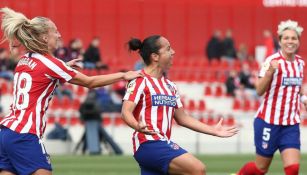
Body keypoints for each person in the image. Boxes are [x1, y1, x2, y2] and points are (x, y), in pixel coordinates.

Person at [0, 7, 142, 175]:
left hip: (6, 132)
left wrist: (64, 67)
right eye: (56, 32)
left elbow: (39, 77)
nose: (59, 36)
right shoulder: (51, 63)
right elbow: (90, 82)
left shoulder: (24, 60)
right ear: (45, 37)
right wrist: (123, 74)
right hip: (25, 133)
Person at [121, 35, 238, 175]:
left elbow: (183, 118)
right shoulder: (140, 81)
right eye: (168, 49)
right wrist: (136, 125)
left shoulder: (171, 86)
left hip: (160, 143)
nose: (173, 52)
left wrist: (213, 130)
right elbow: (126, 112)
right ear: (155, 56)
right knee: (198, 169)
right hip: (148, 143)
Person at [236, 20, 305, 175]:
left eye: (294, 38)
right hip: (268, 122)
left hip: (290, 124)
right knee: (260, 169)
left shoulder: (300, 63)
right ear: (280, 41)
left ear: (298, 41)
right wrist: (269, 73)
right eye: (286, 38)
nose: (290, 41)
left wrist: (304, 99)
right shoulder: (271, 61)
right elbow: (259, 90)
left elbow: (297, 89)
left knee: (293, 168)